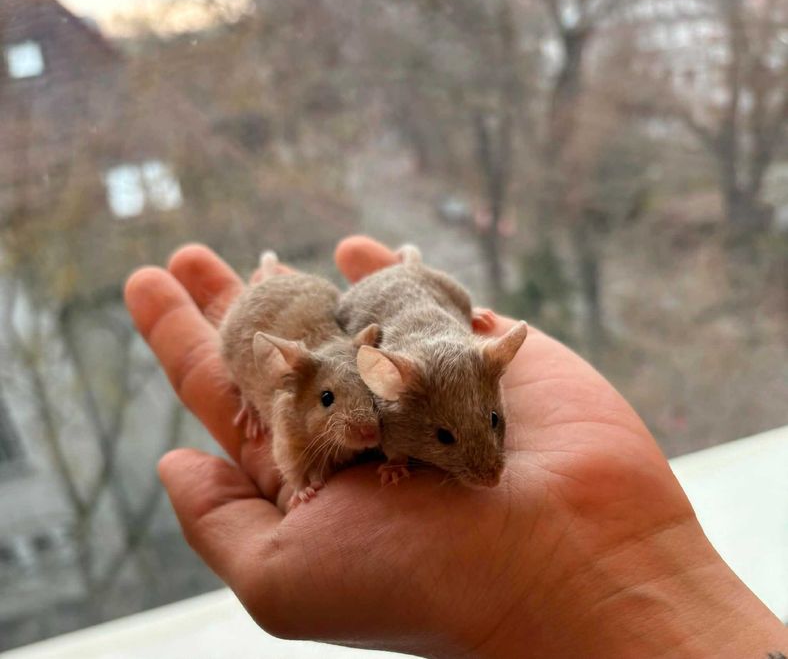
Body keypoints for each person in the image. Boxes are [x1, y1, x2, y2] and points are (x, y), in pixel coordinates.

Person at [124, 236, 787, 658]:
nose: (489, 472)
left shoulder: (443, 371)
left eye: (494, 427)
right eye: (445, 438)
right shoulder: (364, 390)